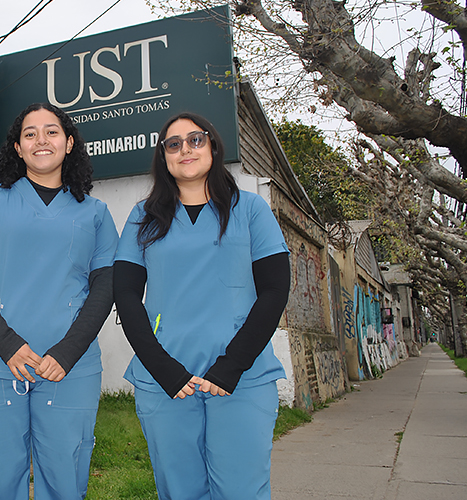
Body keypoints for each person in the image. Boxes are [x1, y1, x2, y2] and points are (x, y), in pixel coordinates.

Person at [0, 102, 118, 500]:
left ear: (69, 143)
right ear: (18, 148)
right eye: (30, 133)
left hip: (68, 368)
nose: (42, 140)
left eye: (52, 131)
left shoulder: (95, 213)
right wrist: (8, 345)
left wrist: (69, 351)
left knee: (66, 476)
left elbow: (106, 286)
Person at [114, 112, 290, 500]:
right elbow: (125, 294)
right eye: (173, 144)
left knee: (241, 490)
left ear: (213, 145)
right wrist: (162, 369)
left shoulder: (251, 209)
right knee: (179, 491)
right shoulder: (143, 218)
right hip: (166, 381)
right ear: (164, 157)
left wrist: (232, 365)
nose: (185, 150)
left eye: (195, 139)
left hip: (241, 378)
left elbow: (275, 290)